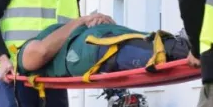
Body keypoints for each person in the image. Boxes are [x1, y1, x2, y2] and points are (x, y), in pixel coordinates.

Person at [15, 20, 190, 79]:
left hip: (94, 39)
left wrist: (96, 20)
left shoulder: (51, 35)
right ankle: (180, 49)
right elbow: (39, 54)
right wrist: (82, 20)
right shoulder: (23, 54)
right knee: (125, 48)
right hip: (85, 51)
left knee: (142, 39)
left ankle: (180, 44)